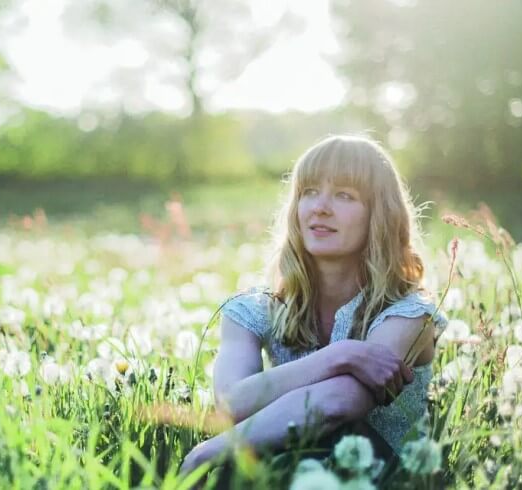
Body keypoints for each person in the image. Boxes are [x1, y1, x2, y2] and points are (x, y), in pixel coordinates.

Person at [179, 134, 448, 483]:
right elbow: (231, 404)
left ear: (379, 215)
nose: (320, 207)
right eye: (309, 192)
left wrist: (211, 450)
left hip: (378, 476)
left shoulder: (408, 314)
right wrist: (341, 356)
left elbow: (342, 401)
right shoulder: (252, 310)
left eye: (344, 195)